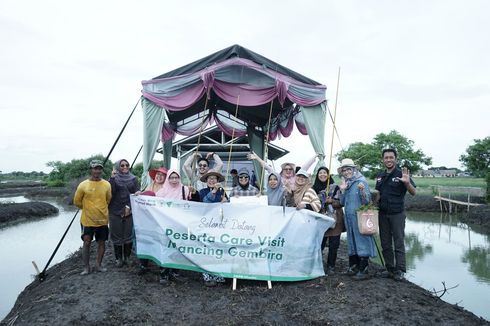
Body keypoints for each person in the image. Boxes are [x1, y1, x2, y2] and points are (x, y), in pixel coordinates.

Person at [375, 149, 416, 281]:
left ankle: (400, 270)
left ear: (395, 159)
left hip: (397, 214)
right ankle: (389, 269)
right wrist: (370, 207)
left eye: (391, 157)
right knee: (385, 243)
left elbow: (413, 192)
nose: (388, 160)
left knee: (398, 242)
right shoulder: (380, 176)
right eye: (386, 158)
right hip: (382, 214)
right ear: (383, 160)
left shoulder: (402, 174)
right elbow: (378, 194)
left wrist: (407, 182)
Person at [155, 169, 199, 284]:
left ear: (179, 178)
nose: (174, 180)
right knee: (165, 249)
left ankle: (175, 272)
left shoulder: (185, 189)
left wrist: (193, 193)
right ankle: (164, 274)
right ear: (168, 178)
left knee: (178, 249)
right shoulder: (161, 192)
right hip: (165, 226)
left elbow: (194, 203)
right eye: (171, 177)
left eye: (176, 177)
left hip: (180, 225)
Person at [338, 158, 376, 280]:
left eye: (349, 169)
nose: (346, 172)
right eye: (344, 170)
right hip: (349, 218)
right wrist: (343, 190)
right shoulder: (347, 184)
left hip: (360, 217)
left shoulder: (361, 181)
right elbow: (342, 202)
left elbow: (367, 202)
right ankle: (353, 267)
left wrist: (362, 191)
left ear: (354, 169)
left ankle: (364, 270)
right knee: (352, 240)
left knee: (362, 240)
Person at [73, 160, 112, 275]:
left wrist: (100, 209)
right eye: (95, 168)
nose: (97, 171)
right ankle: (86, 268)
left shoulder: (107, 184)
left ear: (102, 170)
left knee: (101, 242)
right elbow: (77, 202)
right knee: (87, 242)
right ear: (91, 170)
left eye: (99, 169)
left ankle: (98, 265)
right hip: (87, 220)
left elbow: (108, 199)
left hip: (103, 220)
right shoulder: (83, 185)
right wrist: (88, 209)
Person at [312, 167, 345, 275]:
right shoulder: (313, 189)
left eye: (324, 173)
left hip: (335, 219)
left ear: (328, 175)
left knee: (334, 244)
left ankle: (331, 266)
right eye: (320, 173)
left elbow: (342, 202)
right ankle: (317, 265)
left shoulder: (335, 187)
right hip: (320, 219)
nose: (322, 175)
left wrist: (332, 201)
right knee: (319, 244)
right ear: (317, 175)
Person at [198, 171, 228, 286]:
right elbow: (204, 202)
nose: (212, 181)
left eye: (214, 179)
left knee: (218, 251)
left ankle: (219, 276)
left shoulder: (223, 192)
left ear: (217, 181)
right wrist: (214, 191)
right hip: (206, 225)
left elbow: (229, 207)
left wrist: (226, 202)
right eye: (209, 179)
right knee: (206, 251)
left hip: (220, 226)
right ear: (206, 181)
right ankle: (207, 277)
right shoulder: (202, 192)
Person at [108, 159, 139, 267]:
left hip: (129, 210)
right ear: (117, 167)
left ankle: (127, 258)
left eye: (127, 165)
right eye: (122, 165)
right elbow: (110, 193)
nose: (125, 167)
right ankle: (118, 259)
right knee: (116, 235)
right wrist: (112, 178)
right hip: (114, 210)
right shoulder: (113, 179)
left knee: (128, 235)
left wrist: (129, 207)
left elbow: (136, 194)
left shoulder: (134, 178)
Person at [247, 152, 318, 191]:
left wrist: (315, 156)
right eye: (286, 169)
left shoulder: (297, 178)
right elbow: (268, 167)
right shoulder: (278, 178)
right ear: (282, 170)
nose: (288, 170)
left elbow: (305, 167)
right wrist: (257, 158)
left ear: (293, 170)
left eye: (290, 169)